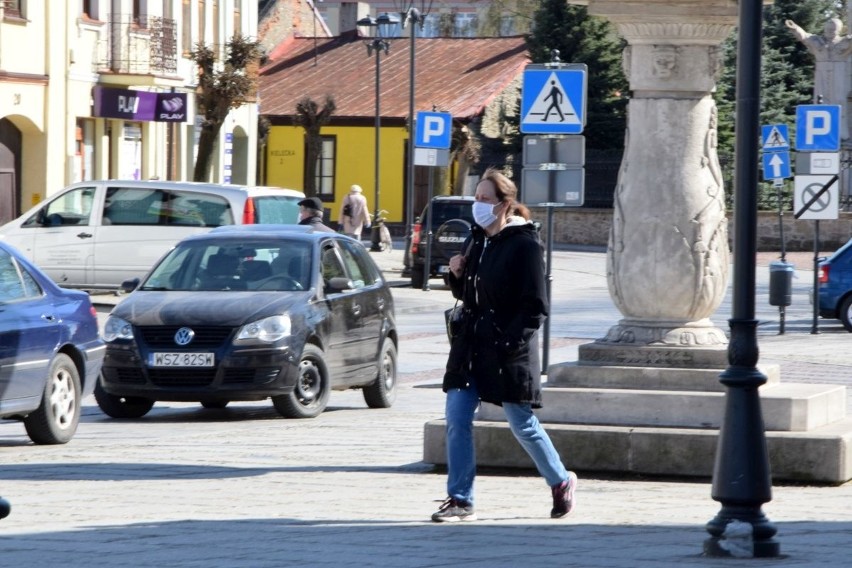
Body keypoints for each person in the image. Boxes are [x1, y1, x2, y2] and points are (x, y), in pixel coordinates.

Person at [431, 168, 577, 523]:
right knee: (457, 417)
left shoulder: (524, 244)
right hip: (470, 345)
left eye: (484, 200)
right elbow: (466, 294)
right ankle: (460, 498)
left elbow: (536, 306)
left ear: (504, 204)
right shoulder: (476, 239)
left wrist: (509, 341)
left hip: (508, 348)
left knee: (521, 423)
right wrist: (457, 273)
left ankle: (560, 481)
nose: (477, 206)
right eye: (475, 199)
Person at [786, 17, 852, 139]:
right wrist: (795, 28)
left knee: (839, 101)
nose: (830, 32)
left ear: (838, 30)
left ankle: (841, 133)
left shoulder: (845, 42)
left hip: (839, 73)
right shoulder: (817, 41)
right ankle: (820, 133)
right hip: (821, 73)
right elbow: (804, 37)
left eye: (833, 30)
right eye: (828, 29)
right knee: (820, 101)